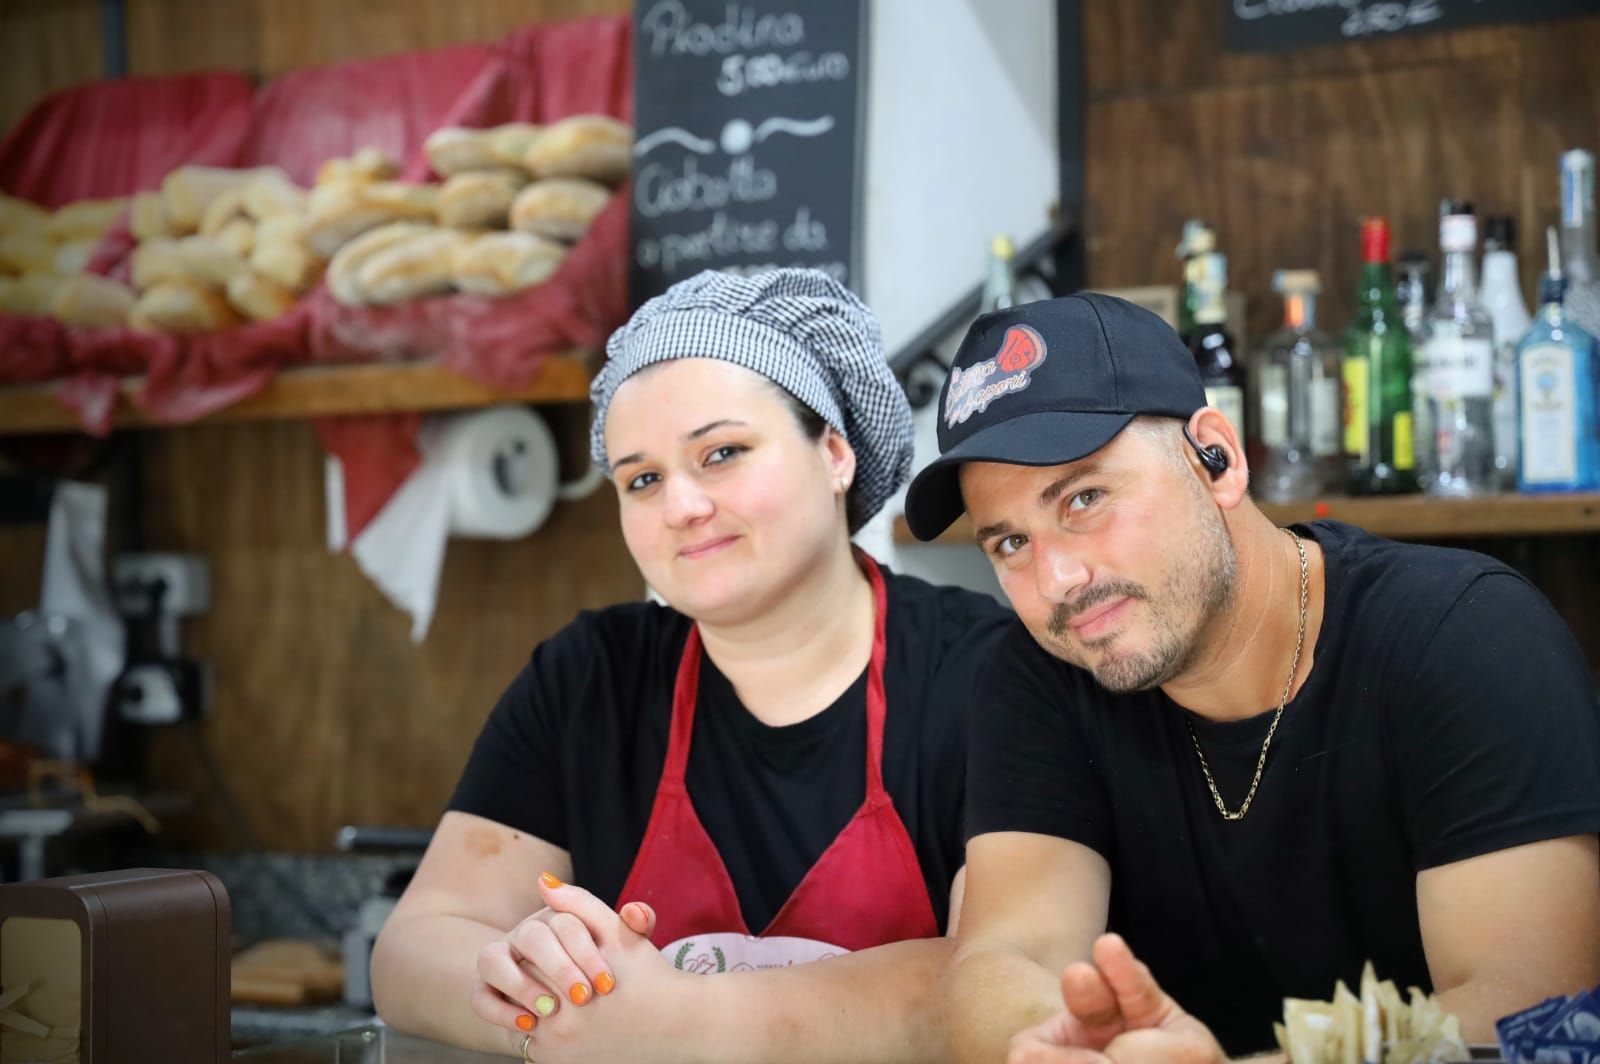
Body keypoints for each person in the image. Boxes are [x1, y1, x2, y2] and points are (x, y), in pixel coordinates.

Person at [899, 293, 1600, 1061]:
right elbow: (1006, 959)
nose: (1058, 577)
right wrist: (1047, 1046)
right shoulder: (1041, 674)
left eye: (1085, 498)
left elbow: (1535, 1019)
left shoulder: (1462, 634)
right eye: (1009, 545)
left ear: (1218, 459)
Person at [370, 268, 1012, 1062]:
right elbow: (409, 953)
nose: (681, 506)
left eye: (722, 453)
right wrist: (534, 983)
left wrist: (672, 1023)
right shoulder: (592, 679)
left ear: (836, 453)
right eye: (642, 479)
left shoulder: (988, 675)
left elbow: (995, 981)